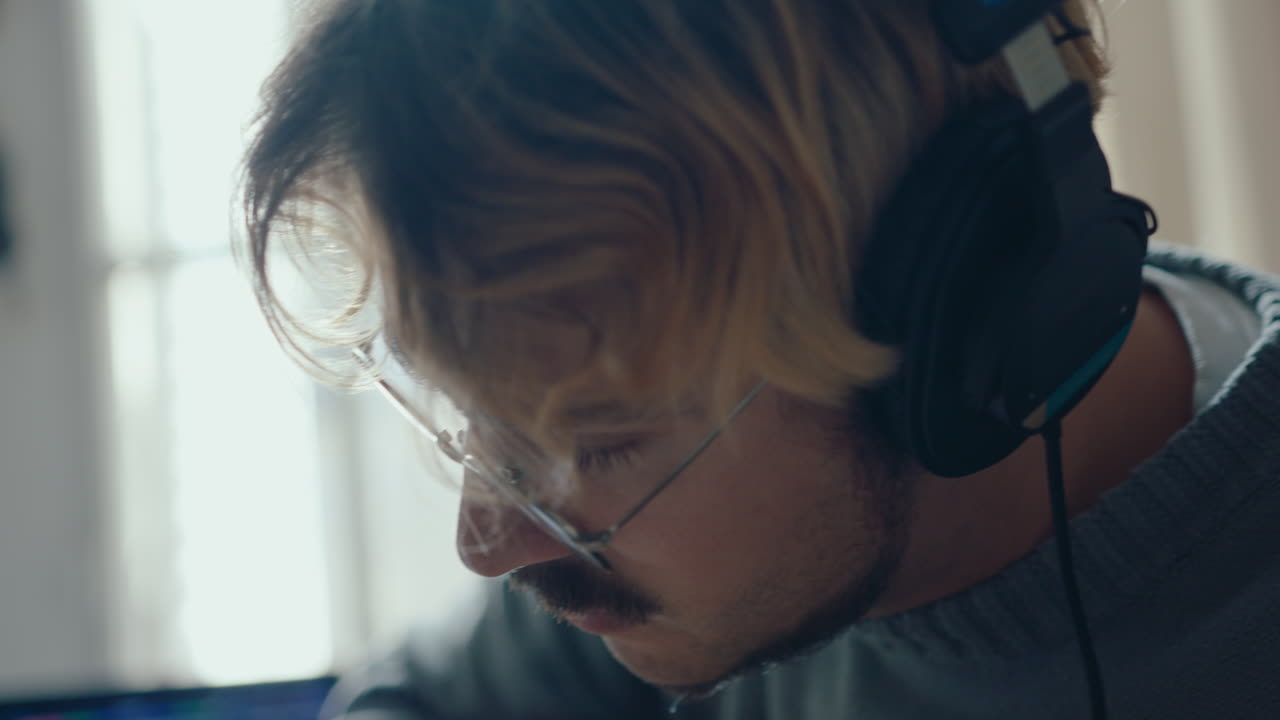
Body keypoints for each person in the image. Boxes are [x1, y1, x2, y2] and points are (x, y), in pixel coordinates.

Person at [239, 0, 1280, 718]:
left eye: (588, 445)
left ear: (953, 316)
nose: (490, 540)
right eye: (476, 425)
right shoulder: (696, 563)